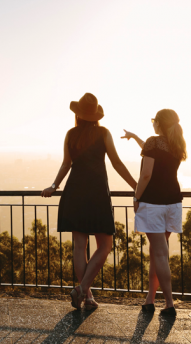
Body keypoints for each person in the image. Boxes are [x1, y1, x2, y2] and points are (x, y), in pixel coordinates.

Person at [42, 93, 137, 311]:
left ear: (78, 114)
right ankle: (83, 290)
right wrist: (136, 186)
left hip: (74, 192)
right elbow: (116, 163)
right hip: (96, 195)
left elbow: (66, 164)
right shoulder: (103, 133)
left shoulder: (70, 134)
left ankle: (86, 296)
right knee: (105, 245)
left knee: (79, 246)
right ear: (95, 115)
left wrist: (54, 186)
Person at [122, 109, 186, 317]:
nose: (152, 124)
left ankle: (169, 304)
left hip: (153, 204)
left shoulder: (154, 142)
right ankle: (150, 299)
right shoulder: (176, 143)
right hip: (173, 204)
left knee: (159, 254)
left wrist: (136, 197)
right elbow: (152, 150)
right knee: (158, 254)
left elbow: (146, 173)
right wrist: (135, 138)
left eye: (153, 121)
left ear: (158, 123)